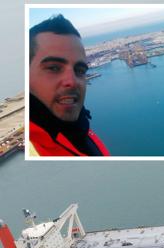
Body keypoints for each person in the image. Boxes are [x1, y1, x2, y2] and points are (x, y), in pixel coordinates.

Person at [29, 15, 109, 156]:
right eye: (54, 68)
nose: (72, 82)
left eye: (80, 70)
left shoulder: (81, 127)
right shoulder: (30, 148)